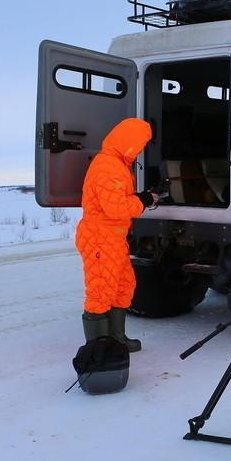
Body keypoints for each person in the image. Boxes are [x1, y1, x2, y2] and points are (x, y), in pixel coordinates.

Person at [75, 118, 159, 352]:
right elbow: (116, 208)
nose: (141, 150)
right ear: (129, 142)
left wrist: (143, 197)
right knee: (101, 291)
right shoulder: (107, 166)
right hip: (99, 237)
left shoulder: (118, 165)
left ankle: (117, 339)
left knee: (123, 285)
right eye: (140, 144)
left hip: (114, 237)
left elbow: (119, 200)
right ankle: (99, 349)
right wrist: (143, 200)